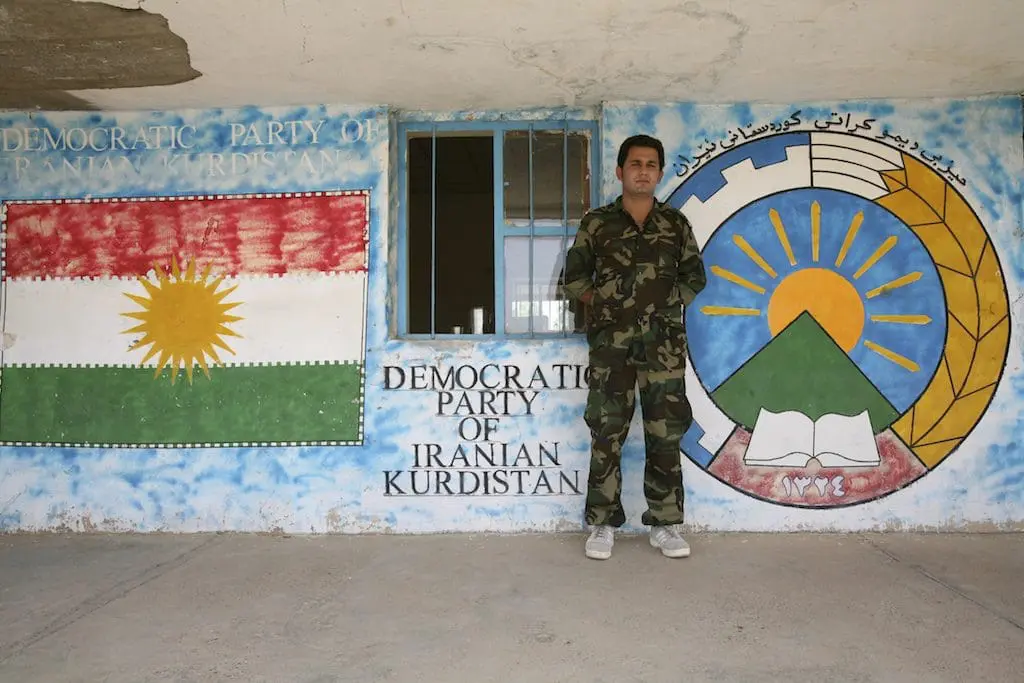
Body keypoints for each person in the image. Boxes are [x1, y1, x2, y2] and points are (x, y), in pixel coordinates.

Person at [562, 134, 706, 560]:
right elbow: (574, 278)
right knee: (607, 431)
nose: (643, 171)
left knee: (665, 432)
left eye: (651, 164)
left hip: (663, 348)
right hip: (612, 348)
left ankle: (666, 524)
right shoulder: (597, 223)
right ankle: (602, 523)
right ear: (621, 171)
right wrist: (603, 303)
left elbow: (694, 277)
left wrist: (667, 303)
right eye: (636, 164)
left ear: (659, 173)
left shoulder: (675, 224)